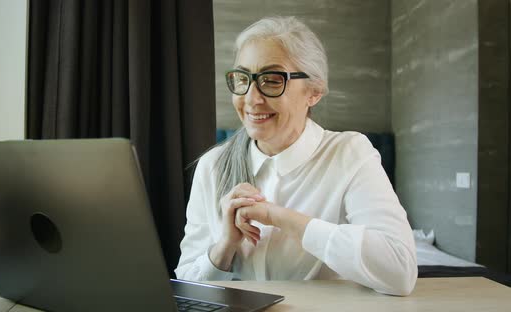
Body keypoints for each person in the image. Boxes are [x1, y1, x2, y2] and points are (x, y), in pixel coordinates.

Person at [175, 16, 417, 296]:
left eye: (272, 80)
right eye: (243, 79)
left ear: (313, 92)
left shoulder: (350, 153)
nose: (252, 99)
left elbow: (400, 271)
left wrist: (281, 218)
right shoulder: (213, 167)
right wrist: (225, 245)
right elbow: (187, 286)